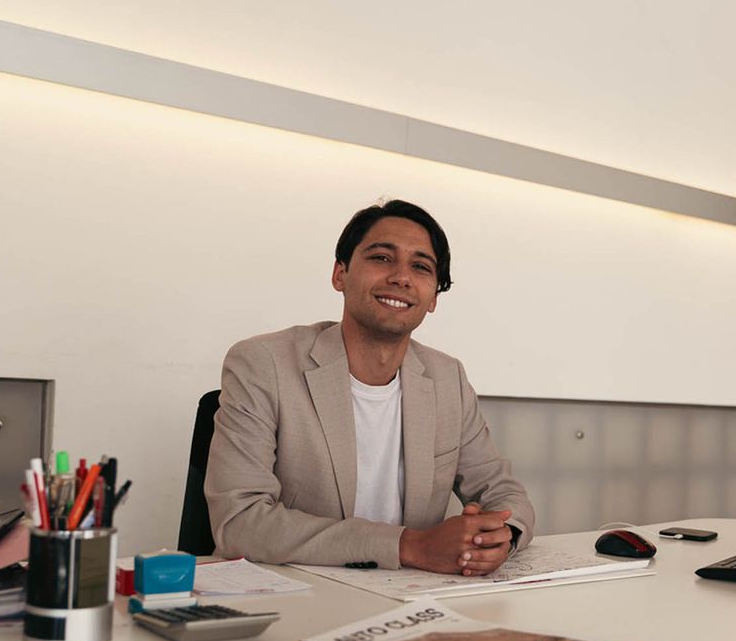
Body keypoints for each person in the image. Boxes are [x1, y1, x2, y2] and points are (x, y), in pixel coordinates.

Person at [204, 199, 534, 575]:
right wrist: (409, 545)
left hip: (410, 595)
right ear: (340, 274)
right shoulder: (264, 364)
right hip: (297, 591)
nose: (401, 277)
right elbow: (240, 522)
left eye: (421, 267)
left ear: (433, 299)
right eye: (381, 258)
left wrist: (498, 536)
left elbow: (504, 493)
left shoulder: (448, 379)